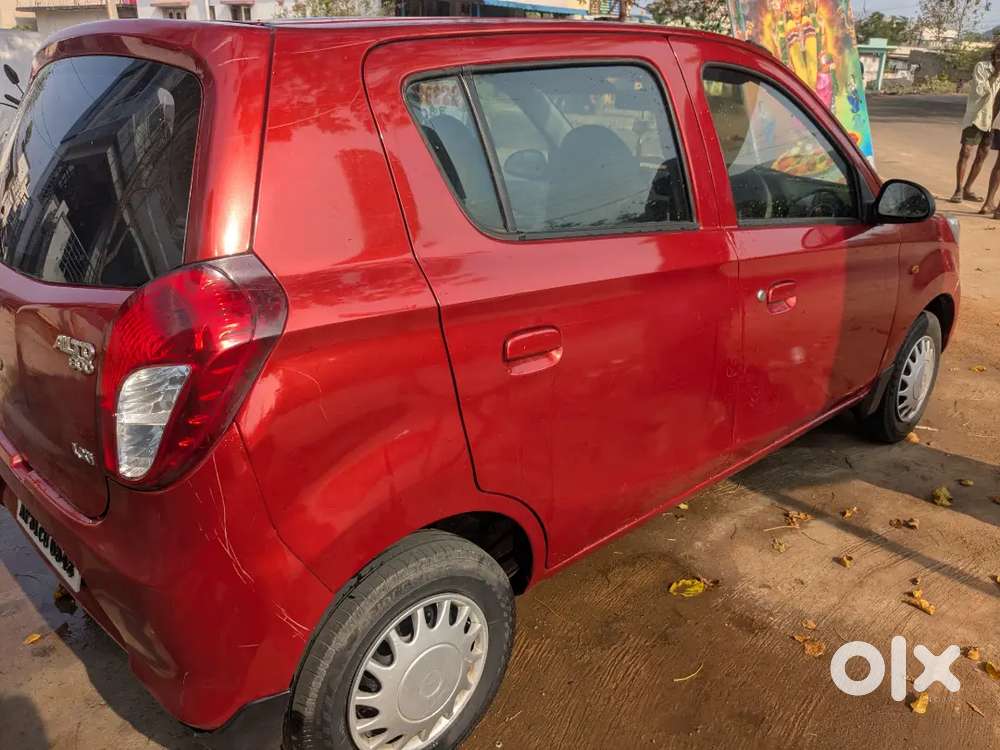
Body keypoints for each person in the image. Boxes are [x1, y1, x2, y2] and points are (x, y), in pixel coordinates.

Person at [951, 43, 1000, 203]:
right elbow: (979, 91)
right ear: (995, 53)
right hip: (977, 117)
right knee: (965, 151)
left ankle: (967, 189)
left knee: (982, 156)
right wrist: (994, 75)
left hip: (993, 121)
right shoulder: (982, 67)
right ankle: (958, 189)